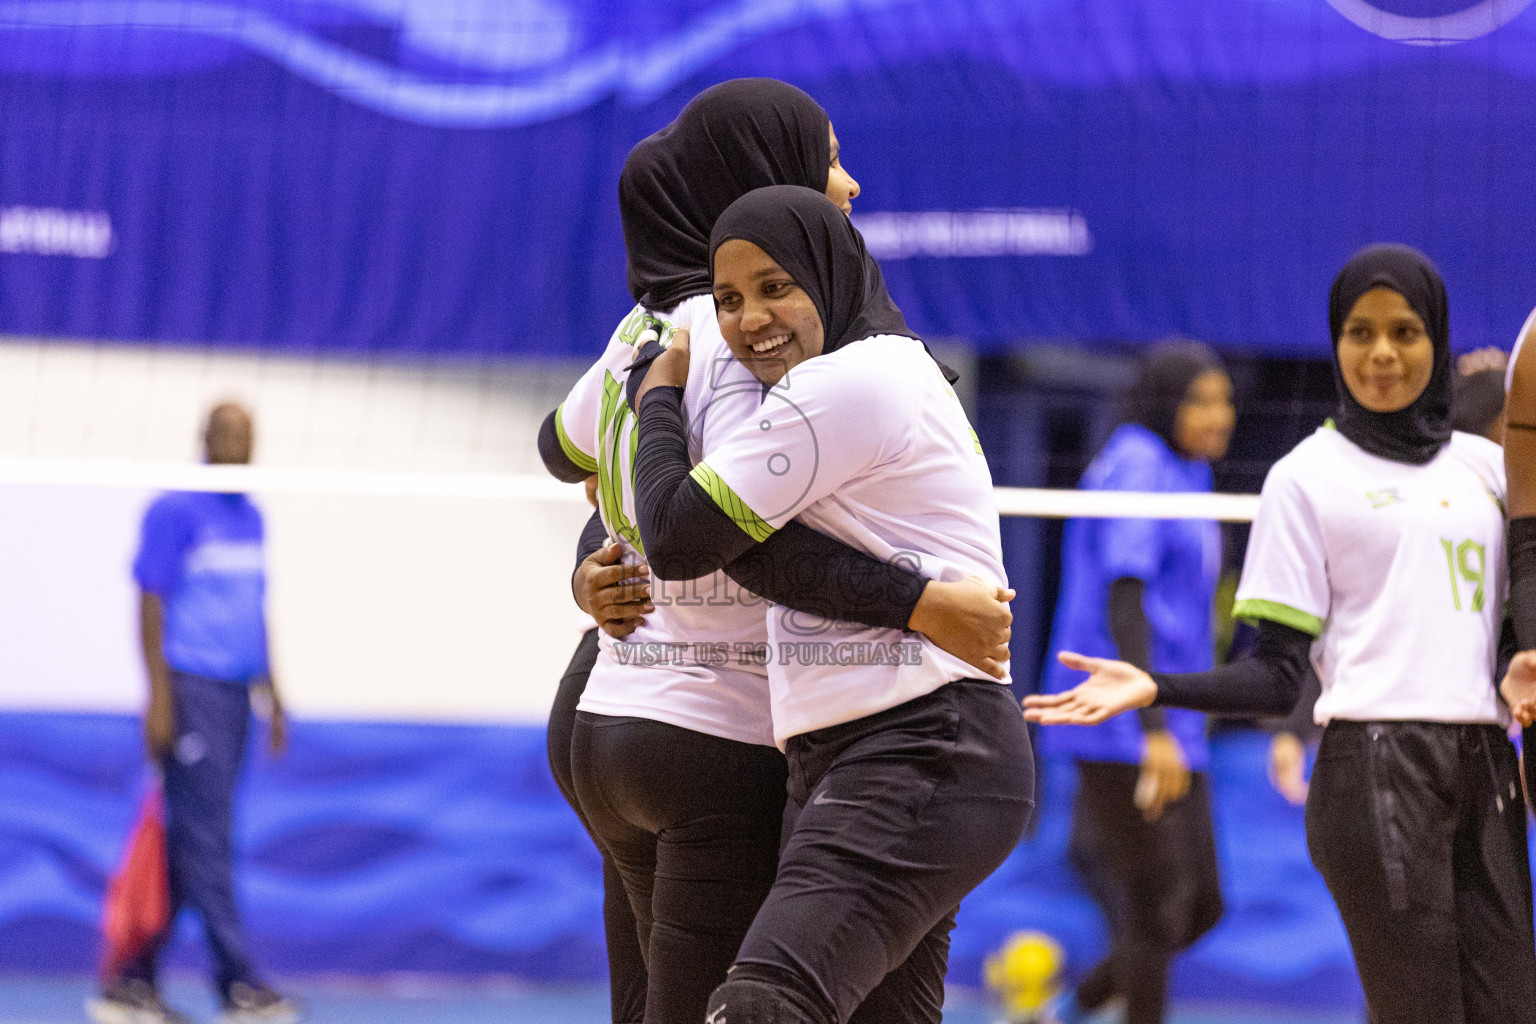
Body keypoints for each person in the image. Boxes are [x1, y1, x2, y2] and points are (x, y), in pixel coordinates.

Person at [537, 81, 1012, 1024]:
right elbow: (704, 532)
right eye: (827, 157)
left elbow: (564, 453)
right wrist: (920, 603)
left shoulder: (648, 325)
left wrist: (601, 549)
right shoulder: (770, 342)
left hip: (603, 712)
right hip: (724, 727)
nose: (848, 183)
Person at [1025, 244, 1536, 1024]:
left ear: (1436, 337)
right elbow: (1276, 669)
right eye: (1360, 332)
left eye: (1404, 331)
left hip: (1488, 765)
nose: (1383, 353)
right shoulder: (1305, 476)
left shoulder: (1487, 469)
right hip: (1373, 767)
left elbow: (1508, 616)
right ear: (1335, 342)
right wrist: (1159, 691)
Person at [631, 184, 1034, 1024]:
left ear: (829, 272)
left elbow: (676, 537)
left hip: (920, 745)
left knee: (762, 1008)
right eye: (730, 299)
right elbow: (746, 554)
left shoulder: (856, 379)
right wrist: (918, 601)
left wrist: (656, 398)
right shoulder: (830, 385)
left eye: (776, 287)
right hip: (853, 752)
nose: (749, 320)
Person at [1037, 343, 1231, 1024]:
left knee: (1203, 903)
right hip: (1121, 718)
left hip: (1175, 713)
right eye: (1202, 400)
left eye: (1226, 400)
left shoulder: (1190, 472)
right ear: (1166, 403)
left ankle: (1065, 1008)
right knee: (1158, 905)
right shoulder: (1136, 465)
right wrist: (1151, 732)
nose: (1220, 415)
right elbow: (1124, 600)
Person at [88, 403, 299, 1024]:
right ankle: (238, 984)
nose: (241, 445)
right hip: (190, 691)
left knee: (192, 842)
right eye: (231, 433)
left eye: (249, 435)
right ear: (206, 439)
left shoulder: (252, 517)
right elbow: (150, 601)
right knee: (207, 840)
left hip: (236, 696)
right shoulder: (174, 511)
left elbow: (254, 609)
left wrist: (274, 694)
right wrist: (159, 696)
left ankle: (130, 982)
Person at [1271, 345, 1510, 804]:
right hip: (1410, 744)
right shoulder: (1418, 516)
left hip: (1482, 739)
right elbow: (1352, 629)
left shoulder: (1505, 505)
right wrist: (1294, 729)